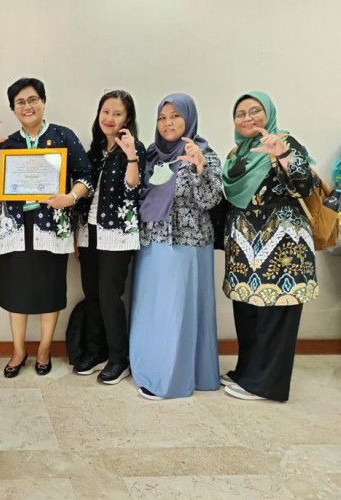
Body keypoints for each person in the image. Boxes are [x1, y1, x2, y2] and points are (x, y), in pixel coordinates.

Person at [0, 77, 92, 377]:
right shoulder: (10, 144)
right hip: (16, 231)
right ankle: (19, 350)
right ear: (13, 109)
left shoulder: (63, 136)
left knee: (50, 291)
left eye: (32, 100)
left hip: (50, 229)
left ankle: (44, 347)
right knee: (16, 294)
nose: (27, 106)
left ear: (43, 101)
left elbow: (86, 176)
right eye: (20, 102)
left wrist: (69, 197)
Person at [220, 91, 318, 402]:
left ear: (269, 114)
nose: (247, 118)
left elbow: (304, 184)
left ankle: (267, 385)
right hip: (245, 252)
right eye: (240, 113)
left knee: (275, 316)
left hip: (281, 251)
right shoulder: (237, 154)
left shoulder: (284, 142)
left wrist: (283, 155)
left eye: (255, 111)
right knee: (248, 314)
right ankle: (247, 372)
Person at [129, 93, 222, 400]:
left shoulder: (204, 153)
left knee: (176, 313)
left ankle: (170, 381)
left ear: (189, 119)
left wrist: (198, 170)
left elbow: (210, 201)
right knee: (151, 311)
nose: (168, 123)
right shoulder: (152, 155)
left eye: (175, 117)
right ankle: (147, 366)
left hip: (186, 245)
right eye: (162, 117)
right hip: (151, 243)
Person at [74, 90, 145, 384]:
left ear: (127, 118)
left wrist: (130, 155)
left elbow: (133, 189)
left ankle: (119, 358)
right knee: (91, 295)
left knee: (109, 297)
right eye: (106, 111)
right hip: (88, 232)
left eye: (117, 113)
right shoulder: (94, 151)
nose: (110, 118)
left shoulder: (134, 148)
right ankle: (95, 350)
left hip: (117, 234)